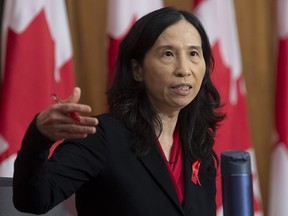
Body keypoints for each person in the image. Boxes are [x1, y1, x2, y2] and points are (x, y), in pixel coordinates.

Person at [13, 7, 225, 216]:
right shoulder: (101, 138)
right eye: (168, 54)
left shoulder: (197, 147)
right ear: (137, 70)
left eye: (193, 54)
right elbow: (33, 200)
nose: (184, 69)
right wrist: (39, 137)